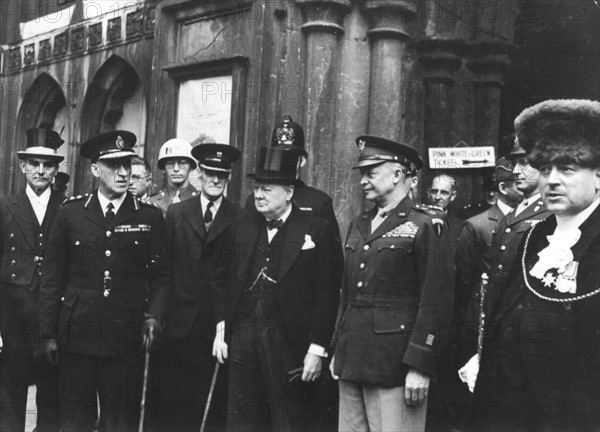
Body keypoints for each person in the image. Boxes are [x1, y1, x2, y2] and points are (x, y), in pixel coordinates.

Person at [465, 99, 600, 431]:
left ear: (598, 175)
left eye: (567, 168)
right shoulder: (527, 240)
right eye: (544, 169)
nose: (551, 180)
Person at [38, 130, 171, 432]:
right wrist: (48, 333)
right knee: (75, 421)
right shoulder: (70, 213)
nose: (124, 173)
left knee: (119, 421)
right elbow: (52, 278)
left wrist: (155, 316)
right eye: (114, 166)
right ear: (96, 170)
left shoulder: (149, 217)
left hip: (125, 337)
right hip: (76, 334)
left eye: (127, 165)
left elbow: (162, 276)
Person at [329, 135, 454, 432]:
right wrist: (338, 348)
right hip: (352, 359)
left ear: (398, 174)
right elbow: (347, 294)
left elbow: (436, 302)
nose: (362, 181)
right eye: (362, 174)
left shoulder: (426, 225)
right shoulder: (358, 224)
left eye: (371, 173)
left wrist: (421, 364)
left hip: (396, 365)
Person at [212, 145, 341, 432]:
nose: (258, 195)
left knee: (287, 419)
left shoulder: (317, 230)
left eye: (267, 189)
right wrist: (222, 329)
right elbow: (226, 280)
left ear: (289, 193)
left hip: (289, 342)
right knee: (242, 418)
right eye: (257, 188)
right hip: (243, 336)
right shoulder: (242, 226)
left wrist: (317, 349)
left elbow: (327, 294)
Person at [155, 143, 242, 432]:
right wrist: (159, 315)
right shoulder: (178, 213)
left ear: (229, 178)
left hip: (216, 328)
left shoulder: (240, 217)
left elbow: (237, 279)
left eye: (223, 175)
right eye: (211, 173)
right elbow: (163, 270)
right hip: (178, 325)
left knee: (213, 404)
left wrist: (224, 326)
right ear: (200, 174)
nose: (216, 180)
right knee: (175, 401)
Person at [0, 128, 64, 432]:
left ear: (56, 169)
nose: (41, 171)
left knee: (51, 395)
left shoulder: (69, 208)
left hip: (53, 317)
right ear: (23, 165)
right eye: (34, 163)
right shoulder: (4, 208)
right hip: (13, 317)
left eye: (48, 165)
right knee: (11, 394)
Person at [148, 138, 199, 216]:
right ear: (163, 168)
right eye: (170, 163)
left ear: (191, 167)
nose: (176, 169)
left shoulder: (201, 200)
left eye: (182, 163)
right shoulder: (151, 202)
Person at [427, 173, 464, 241]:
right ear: (429, 193)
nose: (437, 197)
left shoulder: (460, 226)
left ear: (452, 196)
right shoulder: (419, 221)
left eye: (444, 193)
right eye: (434, 192)